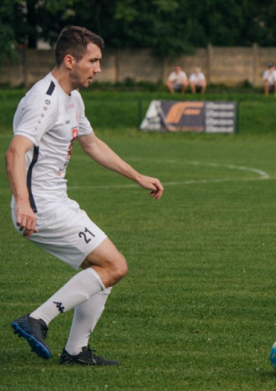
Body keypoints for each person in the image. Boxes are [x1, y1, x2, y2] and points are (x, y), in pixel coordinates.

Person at [7, 26, 164, 366]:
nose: (98, 68)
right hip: (41, 206)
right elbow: (15, 152)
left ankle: (76, 351)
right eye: (93, 61)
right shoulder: (44, 99)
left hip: (56, 201)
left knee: (104, 268)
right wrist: (23, 203)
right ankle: (37, 319)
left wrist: (137, 176)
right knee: (115, 265)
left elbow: (92, 144)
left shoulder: (72, 98)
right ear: (69, 60)